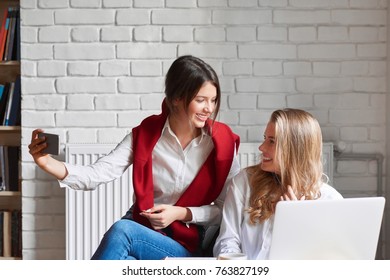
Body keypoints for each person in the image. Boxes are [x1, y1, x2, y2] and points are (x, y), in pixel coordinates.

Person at [28, 55, 240, 260]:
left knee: (123, 231)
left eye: (213, 100)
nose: (209, 109)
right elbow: (98, 173)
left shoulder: (223, 144)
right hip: (141, 226)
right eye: (200, 100)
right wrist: (47, 162)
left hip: (185, 241)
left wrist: (181, 213)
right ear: (177, 99)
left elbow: (226, 211)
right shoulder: (145, 134)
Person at [213, 108, 343, 260]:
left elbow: (329, 262)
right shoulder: (245, 182)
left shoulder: (330, 200)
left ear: (295, 149)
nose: (262, 147)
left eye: (272, 141)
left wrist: (298, 223)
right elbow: (227, 240)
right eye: (265, 138)